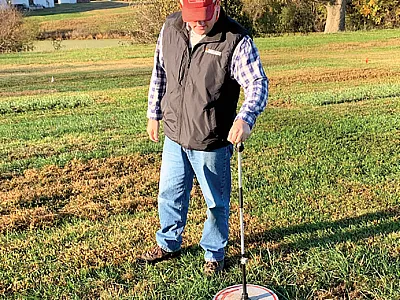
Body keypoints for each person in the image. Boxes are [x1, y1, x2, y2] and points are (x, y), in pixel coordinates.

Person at [139, 0, 268, 275]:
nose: (199, 23)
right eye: (193, 17)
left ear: (218, 6)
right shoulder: (171, 28)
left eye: (205, 17)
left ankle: (213, 252)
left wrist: (246, 118)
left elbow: (257, 83)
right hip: (174, 133)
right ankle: (169, 242)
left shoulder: (235, 39)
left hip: (211, 139)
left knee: (215, 202)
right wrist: (154, 112)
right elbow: (159, 72)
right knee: (169, 194)